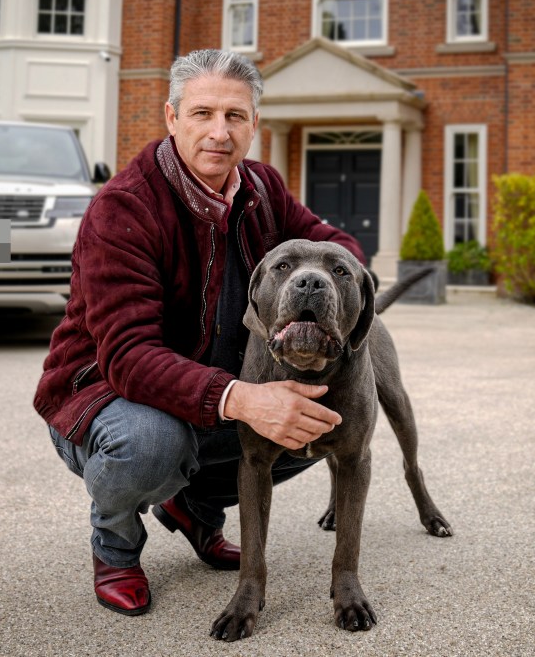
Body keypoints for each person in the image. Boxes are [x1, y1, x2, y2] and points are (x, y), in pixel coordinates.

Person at [34, 49, 365, 616]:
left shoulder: (262, 188)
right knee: (154, 443)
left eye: (235, 116)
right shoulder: (123, 210)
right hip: (106, 398)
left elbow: (338, 247)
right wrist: (244, 399)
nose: (219, 132)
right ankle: (115, 548)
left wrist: (342, 288)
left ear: (254, 125)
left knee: (315, 416)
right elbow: (130, 358)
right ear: (171, 117)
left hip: (208, 392)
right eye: (202, 113)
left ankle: (193, 508)